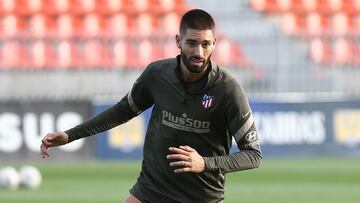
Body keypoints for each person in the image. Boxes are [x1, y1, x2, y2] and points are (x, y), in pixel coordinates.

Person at [40, 9, 262, 203]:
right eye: (191, 43)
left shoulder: (228, 89)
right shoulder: (157, 75)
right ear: (178, 41)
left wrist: (205, 163)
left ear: (214, 43)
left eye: (205, 44)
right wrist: (70, 136)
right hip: (151, 191)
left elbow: (253, 155)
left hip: (200, 197)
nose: (198, 53)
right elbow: (122, 111)